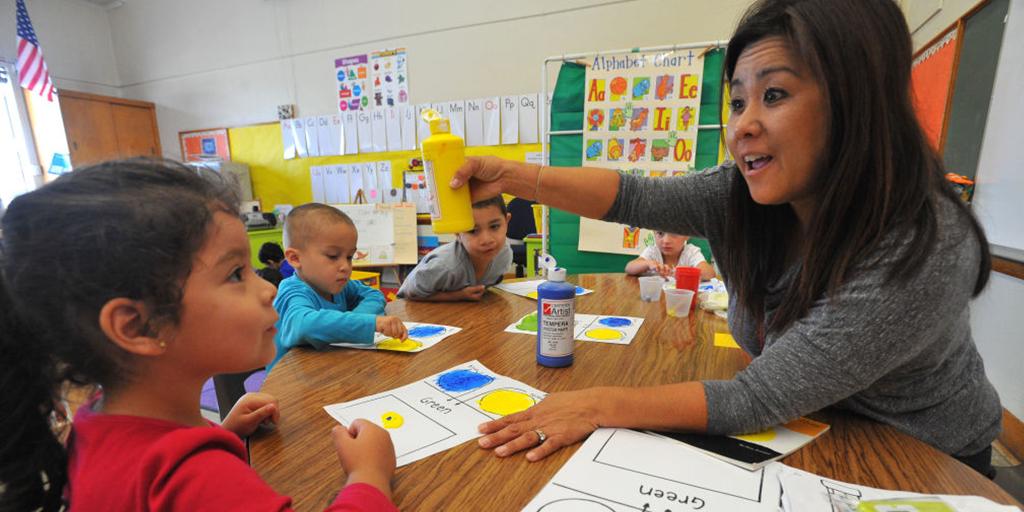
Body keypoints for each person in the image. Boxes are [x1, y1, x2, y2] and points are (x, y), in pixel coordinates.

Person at [454, 0, 1001, 478]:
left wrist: (593, 404)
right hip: (807, 432)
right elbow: (636, 197)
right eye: (738, 102)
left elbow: (755, 397)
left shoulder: (919, 244)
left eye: (776, 94)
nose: (743, 126)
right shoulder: (748, 193)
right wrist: (511, 176)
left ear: (856, 102)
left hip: (921, 462)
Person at [0, 159, 398, 511]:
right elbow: (183, 486)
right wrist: (368, 476)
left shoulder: (95, 418)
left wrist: (223, 433)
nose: (268, 289)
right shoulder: (194, 476)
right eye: (235, 275)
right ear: (137, 326)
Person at [270, 203, 407, 370]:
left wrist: (358, 319)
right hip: (290, 385)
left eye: (349, 257)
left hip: (328, 370)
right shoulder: (293, 292)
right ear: (295, 258)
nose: (345, 266)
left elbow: (374, 295)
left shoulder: (340, 285)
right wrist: (370, 323)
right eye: (333, 256)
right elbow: (305, 325)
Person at [397, 196, 513, 301]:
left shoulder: (504, 253)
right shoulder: (444, 266)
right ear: (457, 233)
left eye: (494, 226)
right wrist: (457, 295)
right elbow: (408, 294)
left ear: (507, 222)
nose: (487, 240)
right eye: (472, 230)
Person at [625, 231, 716, 280]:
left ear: (687, 235)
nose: (666, 241)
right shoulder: (653, 251)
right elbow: (629, 268)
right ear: (654, 233)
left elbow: (710, 273)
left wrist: (682, 273)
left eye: (674, 233)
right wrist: (648, 263)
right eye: (660, 233)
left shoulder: (690, 252)